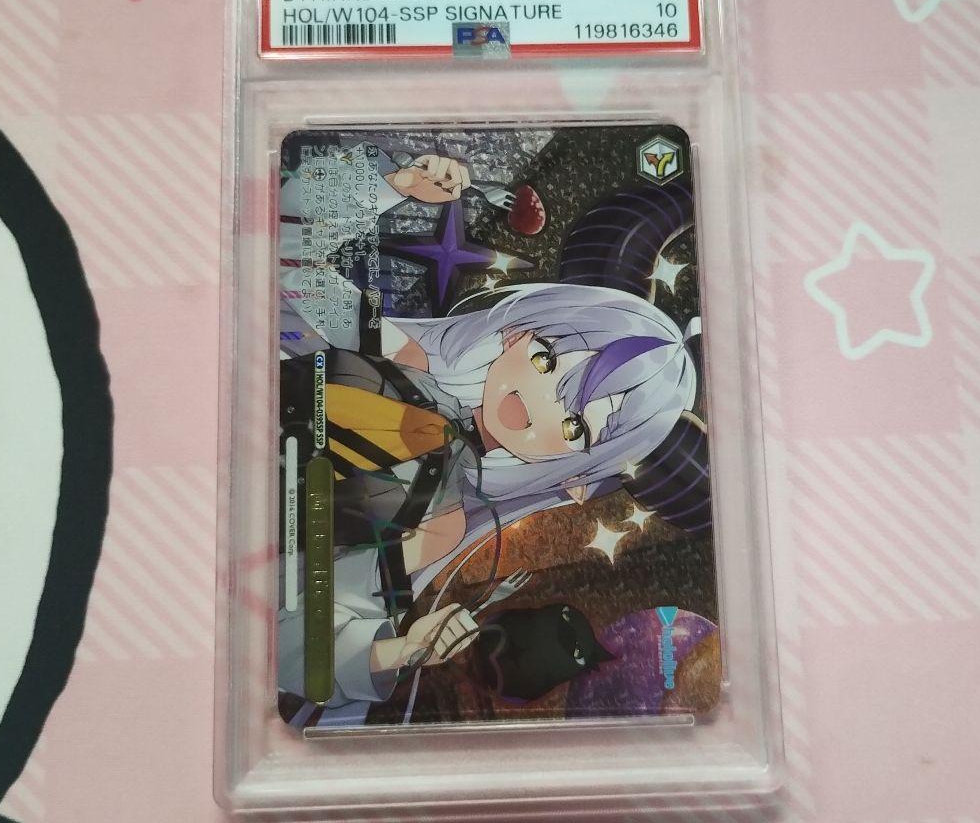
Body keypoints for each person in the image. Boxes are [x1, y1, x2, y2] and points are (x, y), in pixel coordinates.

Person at [276, 147, 698, 727]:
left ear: (576, 471)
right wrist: (388, 186)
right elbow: (279, 258)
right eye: (548, 361)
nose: (537, 406)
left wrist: (395, 651)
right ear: (518, 333)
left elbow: (300, 640)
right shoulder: (397, 352)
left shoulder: (442, 523)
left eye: (575, 426)